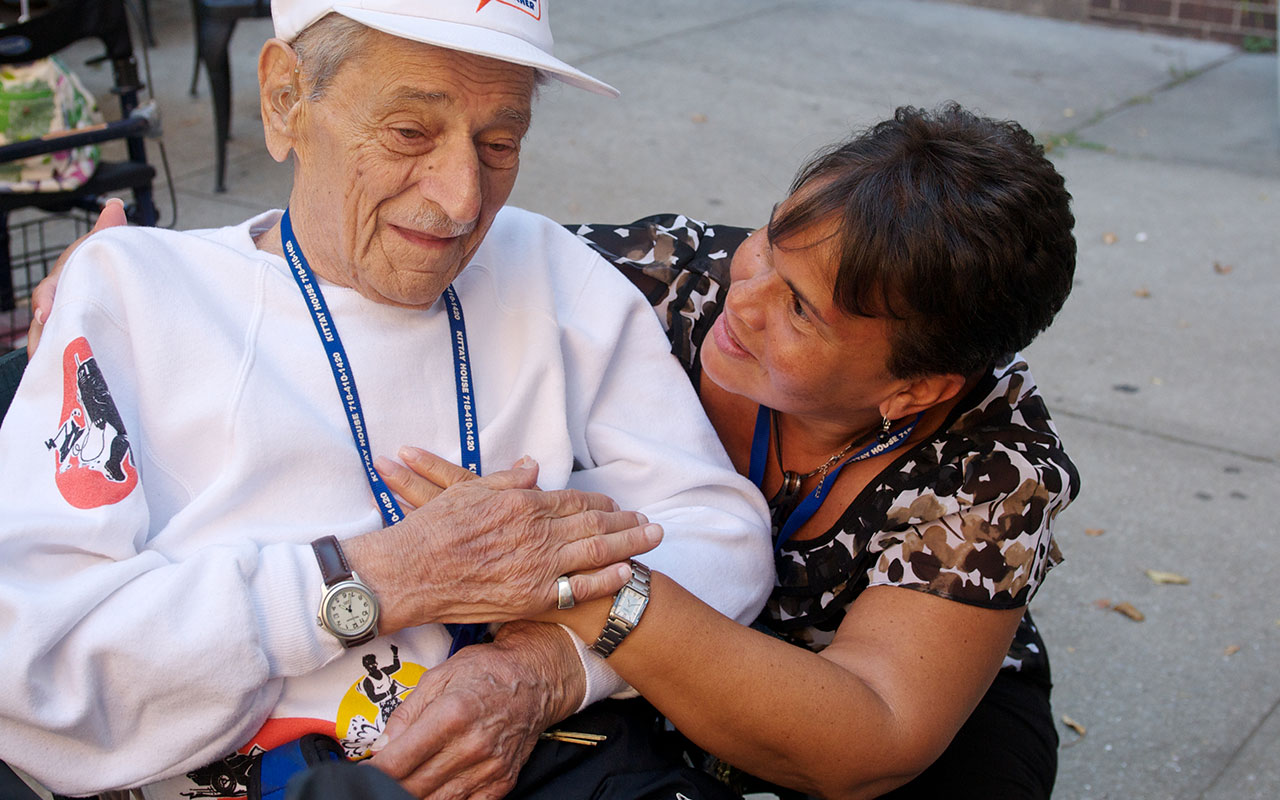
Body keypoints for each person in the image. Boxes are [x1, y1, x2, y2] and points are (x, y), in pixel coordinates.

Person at [0, 1, 773, 798]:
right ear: (284, 100)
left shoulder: (550, 268)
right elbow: (32, 665)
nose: (464, 198)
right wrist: (373, 581)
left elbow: (723, 535)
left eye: (500, 143)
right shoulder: (136, 293)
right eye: (409, 133)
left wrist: (543, 669)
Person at [384, 104, 1079, 799]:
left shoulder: (994, 467)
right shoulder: (664, 282)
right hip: (639, 663)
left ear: (917, 389)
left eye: (801, 309)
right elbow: (415, 267)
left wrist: (576, 579)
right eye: (771, 241)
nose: (741, 300)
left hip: (852, 693)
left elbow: (876, 735)